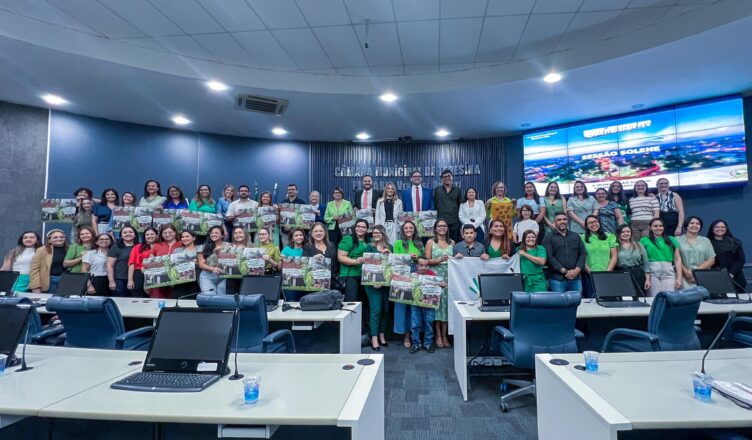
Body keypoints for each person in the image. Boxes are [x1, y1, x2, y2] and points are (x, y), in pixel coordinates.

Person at [393, 220, 425, 348]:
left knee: (415, 306)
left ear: (414, 229)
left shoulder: (419, 243)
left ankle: (415, 335)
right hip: (402, 273)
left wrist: (417, 259)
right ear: (402, 230)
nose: (408, 230)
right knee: (403, 306)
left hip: (416, 273)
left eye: (411, 228)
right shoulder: (398, 243)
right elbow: (395, 260)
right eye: (406, 228)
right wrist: (408, 257)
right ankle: (406, 335)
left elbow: (424, 260)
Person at [425, 218, 454, 348]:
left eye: (444, 226)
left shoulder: (452, 242)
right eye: (440, 226)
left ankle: (445, 335)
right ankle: (438, 335)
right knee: (436, 307)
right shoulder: (430, 242)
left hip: (449, 278)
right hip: (435, 278)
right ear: (435, 229)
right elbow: (426, 261)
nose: (442, 228)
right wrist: (439, 260)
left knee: (446, 308)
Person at [542, 212, 587, 293]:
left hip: (575, 278)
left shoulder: (575, 236)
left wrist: (576, 270)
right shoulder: (548, 237)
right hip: (557, 278)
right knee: (559, 301)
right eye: (559, 220)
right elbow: (549, 257)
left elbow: (582, 254)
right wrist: (564, 271)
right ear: (554, 222)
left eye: (564, 219)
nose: (562, 221)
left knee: (576, 300)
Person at [364, 225, 391, 351]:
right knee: (376, 310)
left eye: (378, 232)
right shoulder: (369, 247)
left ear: (383, 234)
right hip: (372, 284)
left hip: (386, 283)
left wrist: (390, 255)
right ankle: (374, 337)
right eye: (374, 233)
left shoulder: (389, 247)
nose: (376, 235)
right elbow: (367, 266)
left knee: (385, 310)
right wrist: (373, 282)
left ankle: (381, 335)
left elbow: (393, 265)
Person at [639, 218, 683, 296]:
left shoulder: (672, 239)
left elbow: (677, 259)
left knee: (670, 296)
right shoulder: (644, 240)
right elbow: (642, 260)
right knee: (654, 297)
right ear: (650, 227)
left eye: (661, 226)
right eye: (655, 226)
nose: (658, 228)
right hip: (652, 271)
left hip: (668, 270)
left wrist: (679, 277)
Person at [580, 216, 617, 297]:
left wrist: (607, 272)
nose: (593, 224)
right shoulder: (582, 238)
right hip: (589, 275)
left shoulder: (610, 237)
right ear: (586, 226)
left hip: (606, 274)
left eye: (595, 221)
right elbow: (581, 257)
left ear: (599, 223)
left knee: (606, 298)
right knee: (590, 300)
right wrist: (590, 273)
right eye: (590, 223)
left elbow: (614, 256)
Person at [707, 219, 747, 291]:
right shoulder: (706, 243)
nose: (720, 229)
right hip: (716, 277)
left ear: (726, 228)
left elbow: (741, 260)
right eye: (717, 227)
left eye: (722, 227)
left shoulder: (735, 242)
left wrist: (731, 273)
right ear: (712, 229)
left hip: (735, 277)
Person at [410, 259, 440, 354]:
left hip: (429, 304)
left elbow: (438, 285)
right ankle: (416, 344)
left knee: (429, 324)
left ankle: (428, 344)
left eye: (426, 265)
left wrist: (442, 284)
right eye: (421, 265)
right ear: (417, 266)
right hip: (415, 304)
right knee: (415, 324)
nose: (423, 267)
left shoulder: (432, 274)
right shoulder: (412, 275)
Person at [676, 216, 715, 288]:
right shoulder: (677, 239)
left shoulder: (706, 241)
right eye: (692, 223)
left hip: (702, 276)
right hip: (683, 276)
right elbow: (675, 258)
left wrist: (695, 271)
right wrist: (686, 272)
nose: (695, 225)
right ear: (686, 225)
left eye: (698, 224)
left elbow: (711, 260)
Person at [338, 219, 369, 303]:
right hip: (350, 275)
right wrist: (355, 261)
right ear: (355, 228)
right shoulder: (348, 239)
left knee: (365, 303)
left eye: (363, 227)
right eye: (358, 226)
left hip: (365, 276)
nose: (360, 228)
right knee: (351, 303)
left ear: (367, 229)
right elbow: (341, 257)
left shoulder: (369, 241)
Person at [29, 229, 68, 293]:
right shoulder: (41, 250)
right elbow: (34, 269)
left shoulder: (69, 249)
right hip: (49, 282)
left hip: (66, 281)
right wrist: (35, 286)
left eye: (61, 237)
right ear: (49, 240)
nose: (59, 239)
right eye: (55, 237)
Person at [615, 224, 651, 294]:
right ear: (619, 234)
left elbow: (645, 263)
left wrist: (647, 279)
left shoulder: (639, 245)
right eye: (623, 232)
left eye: (628, 231)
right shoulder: (615, 246)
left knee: (639, 296)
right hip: (621, 274)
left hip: (637, 274)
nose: (626, 233)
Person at [148, 224, 181, 299]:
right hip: (159, 280)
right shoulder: (157, 245)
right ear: (161, 234)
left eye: (170, 232)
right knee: (157, 301)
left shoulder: (181, 244)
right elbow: (150, 262)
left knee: (173, 301)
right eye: (165, 233)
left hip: (177, 280)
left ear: (175, 232)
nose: (167, 235)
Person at [303, 222, 339, 288]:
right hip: (314, 283)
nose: (318, 233)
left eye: (321, 231)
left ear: (325, 232)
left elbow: (336, 263)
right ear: (311, 233)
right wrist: (313, 259)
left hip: (332, 282)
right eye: (316, 231)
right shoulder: (307, 247)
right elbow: (303, 266)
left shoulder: (332, 245)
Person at [107, 225, 138, 297]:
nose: (128, 234)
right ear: (121, 235)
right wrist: (111, 281)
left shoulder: (140, 246)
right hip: (120, 279)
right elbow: (109, 265)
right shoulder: (116, 247)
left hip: (136, 278)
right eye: (125, 232)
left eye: (130, 232)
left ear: (135, 234)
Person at [434, 169, 464, 242]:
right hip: (441, 223)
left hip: (454, 222)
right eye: (444, 177)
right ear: (441, 179)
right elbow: (434, 204)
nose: (447, 178)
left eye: (449, 176)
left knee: (454, 243)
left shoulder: (457, 190)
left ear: (452, 177)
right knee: (441, 243)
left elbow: (462, 205)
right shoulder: (437, 190)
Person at [127, 226, 157, 298]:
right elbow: (131, 264)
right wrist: (130, 280)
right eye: (147, 235)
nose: (149, 236)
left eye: (152, 234)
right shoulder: (138, 247)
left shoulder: (160, 246)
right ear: (144, 236)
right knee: (138, 295)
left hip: (155, 273)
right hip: (139, 274)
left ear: (157, 235)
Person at [197, 226, 227, 296]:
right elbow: (201, 264)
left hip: (224, 276)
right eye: (212, 233)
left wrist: (220, 253)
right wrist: (213, 268)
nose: (213, 234)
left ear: (222, 235)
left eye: (216, 233)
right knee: (209, 298)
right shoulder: (203, 247)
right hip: (207, 276)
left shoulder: (229, 246)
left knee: (222, 299)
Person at [172, 230, 200, 298]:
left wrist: (197, 263)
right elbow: (173, 265)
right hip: (180, 281)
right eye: (183, 237)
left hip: (196, 281)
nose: (184, 238)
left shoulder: (200, 249)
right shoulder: (177, 251)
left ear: (194, 238)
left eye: (187, 236)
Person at [280, 228, 306, 301]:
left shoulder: (307, 249)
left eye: (301, 235)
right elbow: (279, 268)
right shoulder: (286, 249)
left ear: (304, 237)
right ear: (292, 239)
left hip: (304, 282)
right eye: (296, 235)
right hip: (290, 284)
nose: (299, 237)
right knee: (291, 302)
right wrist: (281, 261)